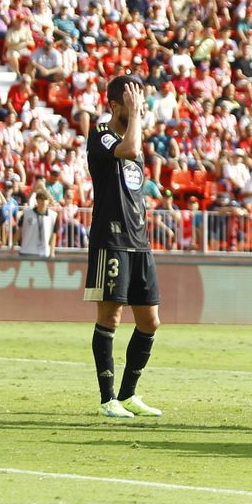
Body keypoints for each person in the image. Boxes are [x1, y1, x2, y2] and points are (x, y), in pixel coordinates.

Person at [84, 76, 163, 419]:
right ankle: (107, 399)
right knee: (110, 317)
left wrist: (137, 116)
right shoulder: (101, 133)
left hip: (138, 239)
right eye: (131, 102)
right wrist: (135, 116)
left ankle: (129, 395)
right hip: (111, 238)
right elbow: (129, 150)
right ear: (115, 106)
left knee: (150, 320)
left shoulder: (134, 137)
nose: (138, 108)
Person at [18, 187, 58, 259]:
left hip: (44, 252)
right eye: (41, 199)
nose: (43, 202)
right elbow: (20, 230)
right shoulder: (27, 213)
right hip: (27, 251)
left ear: (48, 201)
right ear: (37, 200)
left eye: (45, 199)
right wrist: (13, 245)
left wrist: (52, 252)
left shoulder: (53, 216)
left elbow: (53, 235)